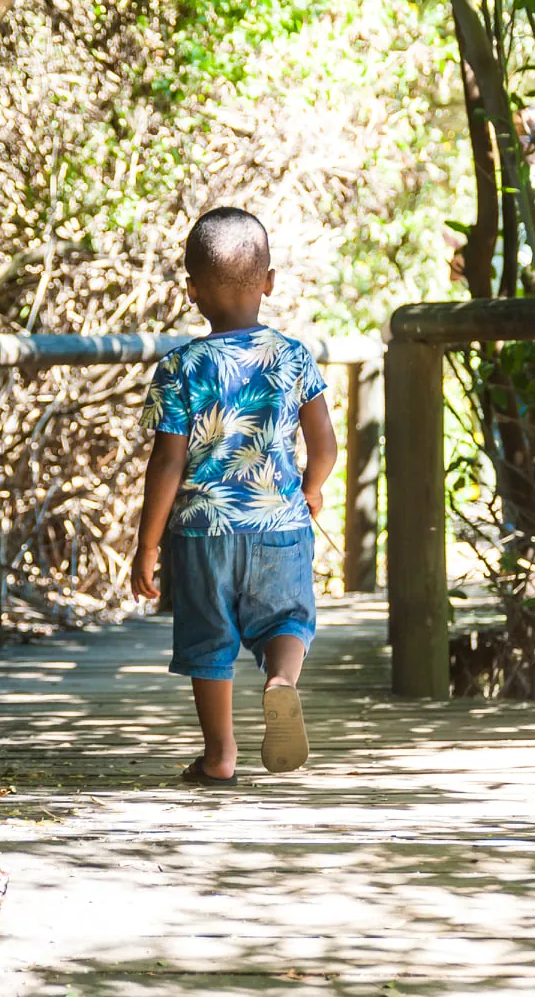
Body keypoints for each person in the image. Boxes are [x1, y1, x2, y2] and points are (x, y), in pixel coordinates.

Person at [131, 207, 339, 785]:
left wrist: (147, 545)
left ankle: (220, 755)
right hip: (281, 524)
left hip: (202, 533)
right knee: (289, 619)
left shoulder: (181, 367)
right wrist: (312, 489)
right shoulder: (293, 356)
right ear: (268, 281)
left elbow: (167, 462)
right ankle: (281, 683)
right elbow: (324, 445)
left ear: (192, 291)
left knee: (210, 639)